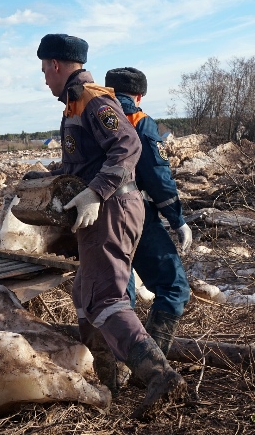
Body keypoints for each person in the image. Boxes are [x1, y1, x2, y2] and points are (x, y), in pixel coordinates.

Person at [28, 34, 185, 418]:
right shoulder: (73, 104)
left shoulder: (91, 99)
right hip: (100, 210)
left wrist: (96, 192)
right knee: (84, 293)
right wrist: (48, 177)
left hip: (111, 208)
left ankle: (159, 374)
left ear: (56, 64)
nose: (44, 78)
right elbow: (82, 162)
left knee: (105, 298)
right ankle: (108, 379)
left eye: (44, 69)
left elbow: (128, 146)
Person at [104, 67, 192, 357]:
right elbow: (157, 176)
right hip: (135, 215)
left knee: (119, 299)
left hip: (97, 219)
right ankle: (151, 364)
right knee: (174, 287)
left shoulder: (89, 118)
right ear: (139, 96)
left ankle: (120, 368)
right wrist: (178, 220)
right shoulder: (139, 121)